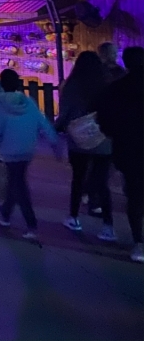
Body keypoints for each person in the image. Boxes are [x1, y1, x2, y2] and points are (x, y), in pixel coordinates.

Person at [0, 68, 61, 242]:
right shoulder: (29, 102)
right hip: (27, 147)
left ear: (1, 84)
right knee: (16, 180)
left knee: (18, 184)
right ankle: (5, 213)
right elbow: (42, 122)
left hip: (9, 148)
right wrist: (54, 142)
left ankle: (31, 223)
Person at [55, 51, 116, 241]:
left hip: (78, 140)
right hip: (103, 139)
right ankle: (108, 226)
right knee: (102, 183)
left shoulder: (72, 86)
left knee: (78, 179)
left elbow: (65, 113)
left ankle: (74, 217)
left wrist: (57, 128)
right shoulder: (107, 84)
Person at [96, 46, 143, 263]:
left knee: (134, 194)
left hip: (129, 147)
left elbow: (104, 120)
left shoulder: (116, 89)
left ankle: (139, 242)